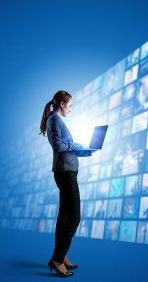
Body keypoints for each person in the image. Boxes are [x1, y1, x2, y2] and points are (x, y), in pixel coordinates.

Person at [40, 90, 94, 277]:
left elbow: (65, 146)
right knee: (74, 217)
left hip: (66, 171)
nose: (71, 109)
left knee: (64, 217)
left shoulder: (57, 120)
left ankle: (61, 257)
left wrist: (85, 150)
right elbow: (59, 146)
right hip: (65, 173)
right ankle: (57, 259)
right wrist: (77, 146)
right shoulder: (54, 120)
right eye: (70, 105)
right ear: (62, 103)